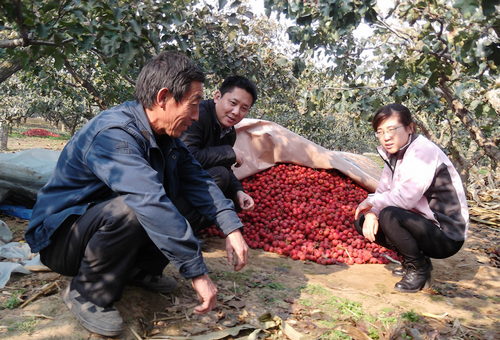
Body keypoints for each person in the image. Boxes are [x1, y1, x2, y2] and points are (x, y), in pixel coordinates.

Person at [24, 51, 248, 337]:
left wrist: (231, 227)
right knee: (135, 207)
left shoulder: (166, 136)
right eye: (193, 105)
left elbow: (198, 180)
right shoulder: (114, 133)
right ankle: (87, 291)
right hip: (64, 240)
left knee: (192, 197)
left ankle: (139, 270)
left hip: (100, 230)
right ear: (163, 97)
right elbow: (147, 200)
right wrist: (197, 271)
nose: (196, 115)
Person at [354, 103, 469, 293]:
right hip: (423, 226)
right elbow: (383, 191)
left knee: (390, 215)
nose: (386, 137)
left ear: (409, 128)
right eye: (380, 132)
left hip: (447, 235)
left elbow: (404, 199)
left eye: (392, 129)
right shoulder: (395, 155)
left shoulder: (422, 152)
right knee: (363, 221)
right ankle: (414, 259)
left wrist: (372, 202)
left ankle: (418, 269)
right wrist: (372, 212)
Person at [178, 75, 257, 232]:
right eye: (233, 103)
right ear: (217, 96)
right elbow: (186, 157)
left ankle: (189, 230)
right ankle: (177, 230)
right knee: (220, 175)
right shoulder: (197, 116)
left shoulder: (229, 132)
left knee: (232, 201)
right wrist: (228, 152)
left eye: (244, 108)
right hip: (173, 184)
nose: (236, 112)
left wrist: (238, 192)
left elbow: (225, 166)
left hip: (193, 185)